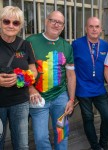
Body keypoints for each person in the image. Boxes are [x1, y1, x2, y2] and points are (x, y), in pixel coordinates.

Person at [26, 11, 76, 150]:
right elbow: (23, 69)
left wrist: (71, 100)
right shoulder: (31, 42)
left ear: (63, 26)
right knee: (41, 138)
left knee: (62, 134)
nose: (56, 24)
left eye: (60, 22)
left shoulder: (67, 46)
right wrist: (30, 88)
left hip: (61, 97)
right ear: (46, 21)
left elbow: (71, 75)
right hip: (38, 98)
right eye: (53, 20)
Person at [72, 17, 108, 150]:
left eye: (96, 26)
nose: (94, 29)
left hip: (99, 88)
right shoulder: (76, 44)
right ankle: (95, 146)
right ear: (86, 28)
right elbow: (69, 66)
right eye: (91, 26)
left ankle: (103, 143)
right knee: (88, 118)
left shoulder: (105, 46)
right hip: (83, 88)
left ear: (101, 29)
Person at [0, 6, 37, 149]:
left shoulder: (25, 45)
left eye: (15, 23)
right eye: (6, 21)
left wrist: (19, 78)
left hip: (20, 103)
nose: (10, 25)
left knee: (21, 145)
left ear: (20, 26)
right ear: (1, 22)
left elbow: (34, 73)